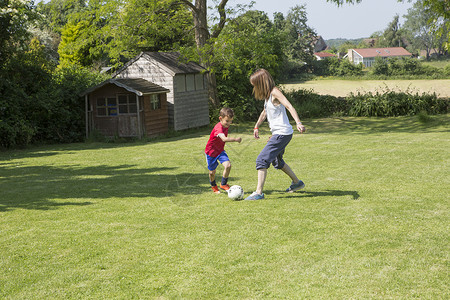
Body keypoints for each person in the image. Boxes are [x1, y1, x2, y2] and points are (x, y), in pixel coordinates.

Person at [245, 68, 306, 200]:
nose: (255, 88)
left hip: (282, 133)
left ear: (262, 82)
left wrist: (298, 122)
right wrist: (256, 126)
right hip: (280, 133)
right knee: (277, 161)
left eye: (255, 85)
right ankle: (297, 183)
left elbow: (289, 106)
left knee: (262, 160)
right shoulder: (268, 96)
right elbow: (265, 112)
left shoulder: (275, 92)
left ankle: (258, 192)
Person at [205, 107, 242, 194]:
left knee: (228, 165)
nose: (229, 123)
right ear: (220, 119)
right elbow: (224, 139)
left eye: (230, 121)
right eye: (227, 121)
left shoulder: (225, 125)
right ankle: (214, 186)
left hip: (220, 151)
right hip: (211, 152)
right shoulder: (218, 128)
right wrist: (236, 139)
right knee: (212, 172)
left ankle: (223, 184)